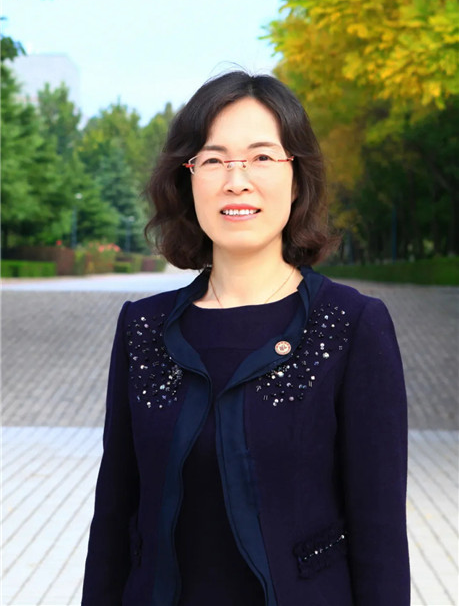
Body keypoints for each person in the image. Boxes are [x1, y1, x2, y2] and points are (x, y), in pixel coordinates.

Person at [82, 71, 410, 606]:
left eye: (261, 157)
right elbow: (114, 518)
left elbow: (380, 536)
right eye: (214, 160)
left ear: (297, 177)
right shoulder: (142, 327)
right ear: (187, 179)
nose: (237, 181)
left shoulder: (351, 325)